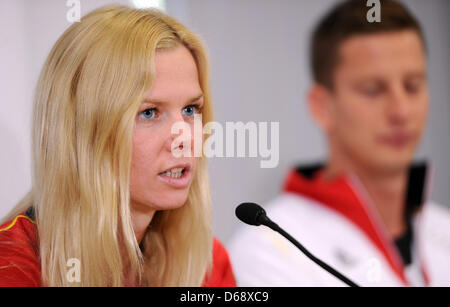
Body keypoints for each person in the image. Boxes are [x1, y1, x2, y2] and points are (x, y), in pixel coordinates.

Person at [0, 5, 236, 287]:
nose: (185, 137)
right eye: (149, 112)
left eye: (190, 109)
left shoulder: (207, 264)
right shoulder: (11, 264)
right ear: (84, 130)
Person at [228, 0, 450, 286]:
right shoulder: (268, 249)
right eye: (373, 90)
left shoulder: (444, 229)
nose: (401, 111)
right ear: (322, 107)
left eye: (412, 86)